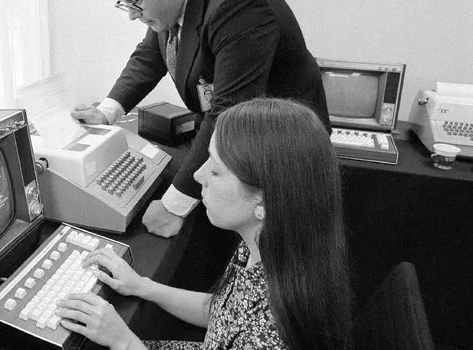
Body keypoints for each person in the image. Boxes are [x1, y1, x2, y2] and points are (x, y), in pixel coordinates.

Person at [71, 0, 331, 242]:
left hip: (284, 154)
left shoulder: (238, 3)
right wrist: (106, 112)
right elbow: (148, 58)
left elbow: (227, 112)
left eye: (135, 3)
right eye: (125, 5)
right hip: (243, 143)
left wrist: (172, 207)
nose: (132, 17)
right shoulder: (176, 1)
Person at [56, 97, 353, 350]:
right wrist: (143, 286)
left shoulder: (270, 335)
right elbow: (221, 311)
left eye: (216, 171)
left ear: (263, 200)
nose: (198, 176)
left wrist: (123, 341)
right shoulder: (268, 246)